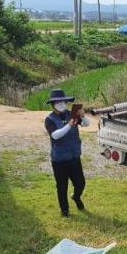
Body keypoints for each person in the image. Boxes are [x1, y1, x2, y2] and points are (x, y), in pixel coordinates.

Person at [44, 89, 91, 217]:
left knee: (80, 183)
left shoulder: (71, 114)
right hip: (59, 159)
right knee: (62, 186)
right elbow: (55, 135)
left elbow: (87, 124)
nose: (62, 104)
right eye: (59, 102)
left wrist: (82, 116)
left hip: (74, 156)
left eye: (63, 101)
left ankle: (76, 196)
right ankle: (64, 210)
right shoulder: (49, 120)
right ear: (53, 104)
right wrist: (69, 125)